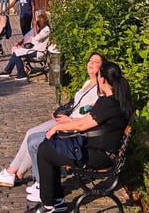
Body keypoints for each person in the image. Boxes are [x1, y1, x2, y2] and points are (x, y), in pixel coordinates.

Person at [0, 51, 104, 189]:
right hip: (67, 119)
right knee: (30, 133)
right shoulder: (87, 83)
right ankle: (15, 172)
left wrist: (69, 119)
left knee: (35, 138)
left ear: (102, 68)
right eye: (90, 60)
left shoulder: (99, 89)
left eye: (96, 62)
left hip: (72, 125)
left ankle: (12, 172)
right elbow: (75, 104)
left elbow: (91, 113)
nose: (91, 64)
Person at [33, 59, 134, 213]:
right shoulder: (120, 100)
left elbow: (82, 125)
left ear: (102, 79)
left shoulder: (108, 103)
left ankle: (48, 205)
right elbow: (86, 122)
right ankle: (57, 201)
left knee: (45, 151)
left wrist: (57, 127)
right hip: (102, 150)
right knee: (49, 147)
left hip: (99, 156)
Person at [0, 10, 50, 80]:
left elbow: (36, 38)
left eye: (37, 21)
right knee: (16, 51)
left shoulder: (46, 30)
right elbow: (29, 37)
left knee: (16, 53)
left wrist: (35, 27)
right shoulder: (40, 29)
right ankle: (9, 71)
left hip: (38, 52)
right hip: (34, 49)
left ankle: (20, 73)